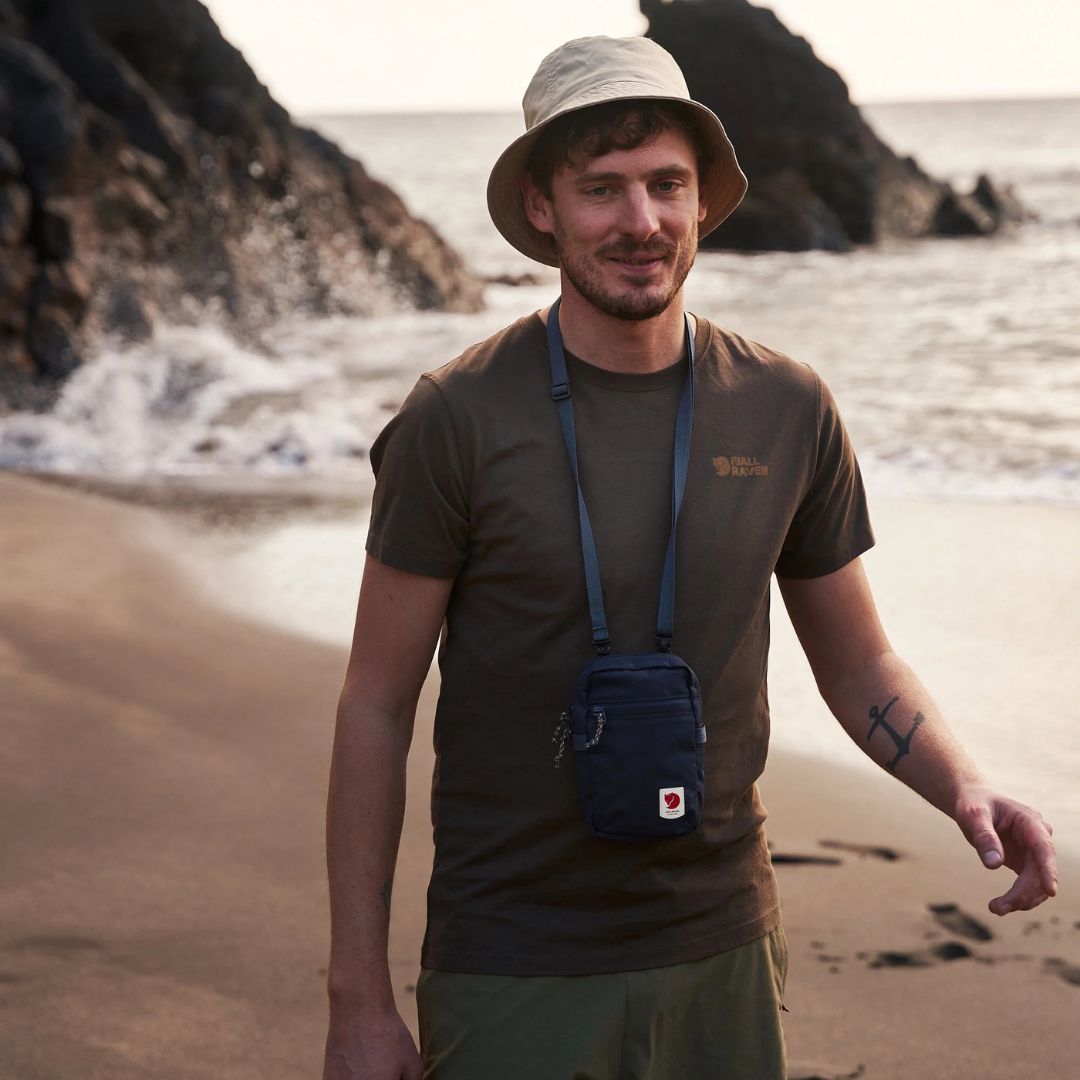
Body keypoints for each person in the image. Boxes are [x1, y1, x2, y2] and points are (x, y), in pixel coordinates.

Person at [322, 35, 1058, 1080]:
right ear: (543, 208)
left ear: (704, 198)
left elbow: (859, 665)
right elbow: (375, 705)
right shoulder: (457, 418)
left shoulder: (785, 405)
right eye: (603, 190)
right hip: (516, 963)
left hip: (723, 944)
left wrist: (966, 789)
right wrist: (358, 1001)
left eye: (668, 185)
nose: (641, 222)